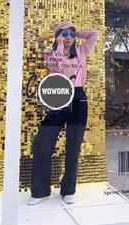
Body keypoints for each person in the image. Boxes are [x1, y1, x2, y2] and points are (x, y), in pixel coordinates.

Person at [27, 20, 98, 205]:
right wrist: (59, 43)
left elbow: (94, 35)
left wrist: (75, 32)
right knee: (42, 144)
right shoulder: (50, 53)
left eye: (71, 35)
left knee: (73, 146)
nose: (68, 38)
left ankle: (68, 190)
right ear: (58, 36)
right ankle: (40, 191)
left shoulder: (81, 51)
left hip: (78, 97)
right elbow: (56, 68)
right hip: (58, 95)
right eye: (64, 34)